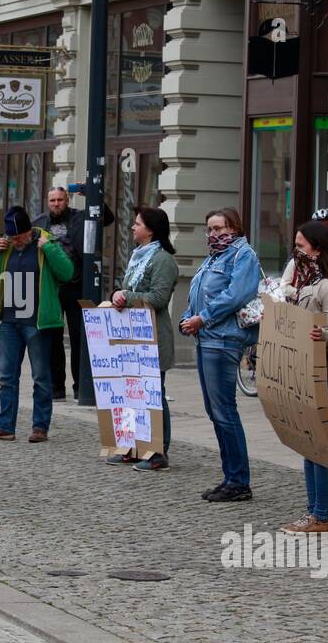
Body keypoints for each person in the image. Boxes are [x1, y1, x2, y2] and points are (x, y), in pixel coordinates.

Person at [179, 208, 261, 502]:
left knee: (224, 411)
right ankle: (230, 477)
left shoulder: (243, 255)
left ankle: (239, 481)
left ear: (234, 228)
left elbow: (236, 295)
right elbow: (198, 294)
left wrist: (203, 318)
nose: (213, 234)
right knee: (215, 412)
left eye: (219, 228)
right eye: (210, 228)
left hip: (224, 339)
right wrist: (188, 318)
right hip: (206, 338)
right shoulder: (213, 257)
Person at [277, 220, 328, 534]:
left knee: (319, 445)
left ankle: (320, 514)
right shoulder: (307, 284)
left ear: (318, 249)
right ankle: (313, 512)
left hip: (322, 373)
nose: (296, 251)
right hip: (303, 369)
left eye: (301, 245)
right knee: (308, 444)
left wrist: (320, 333)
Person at [0, 205, 75, 444]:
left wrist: (49, 249)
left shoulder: (47, 242)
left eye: (19, 237)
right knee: (6, 376)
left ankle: (40, 426)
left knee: (41, 376)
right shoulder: (5, 246)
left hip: (37, 322)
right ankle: (4, 426)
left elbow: (67, 273)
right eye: (11, 237)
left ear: (29, 231)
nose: (15, 241)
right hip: (10, 320)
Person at [107, 207, 179, 471]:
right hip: (132, 337)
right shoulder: (139, 256)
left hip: (153, 337)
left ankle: (158, 452)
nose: (132, 228)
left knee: (152, 395)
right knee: (130, 393)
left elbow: (158, 299)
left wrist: (126, 294)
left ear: (151, 229)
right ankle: (132, 446)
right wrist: (118, 294)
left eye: (137, 224)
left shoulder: (163, 260)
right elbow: (130, 290)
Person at [32, 186, 115, 400]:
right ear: (47, 202)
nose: (56, 204)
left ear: (67, 200)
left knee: (79, 337)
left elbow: (107, 219)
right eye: (53, 200)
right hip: (52, 287)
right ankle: (56, 387)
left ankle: (81, 387)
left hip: (77, 285)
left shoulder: (80, 217)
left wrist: (93, 195)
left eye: (60, 199)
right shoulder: (39, 223)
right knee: (52, 338)